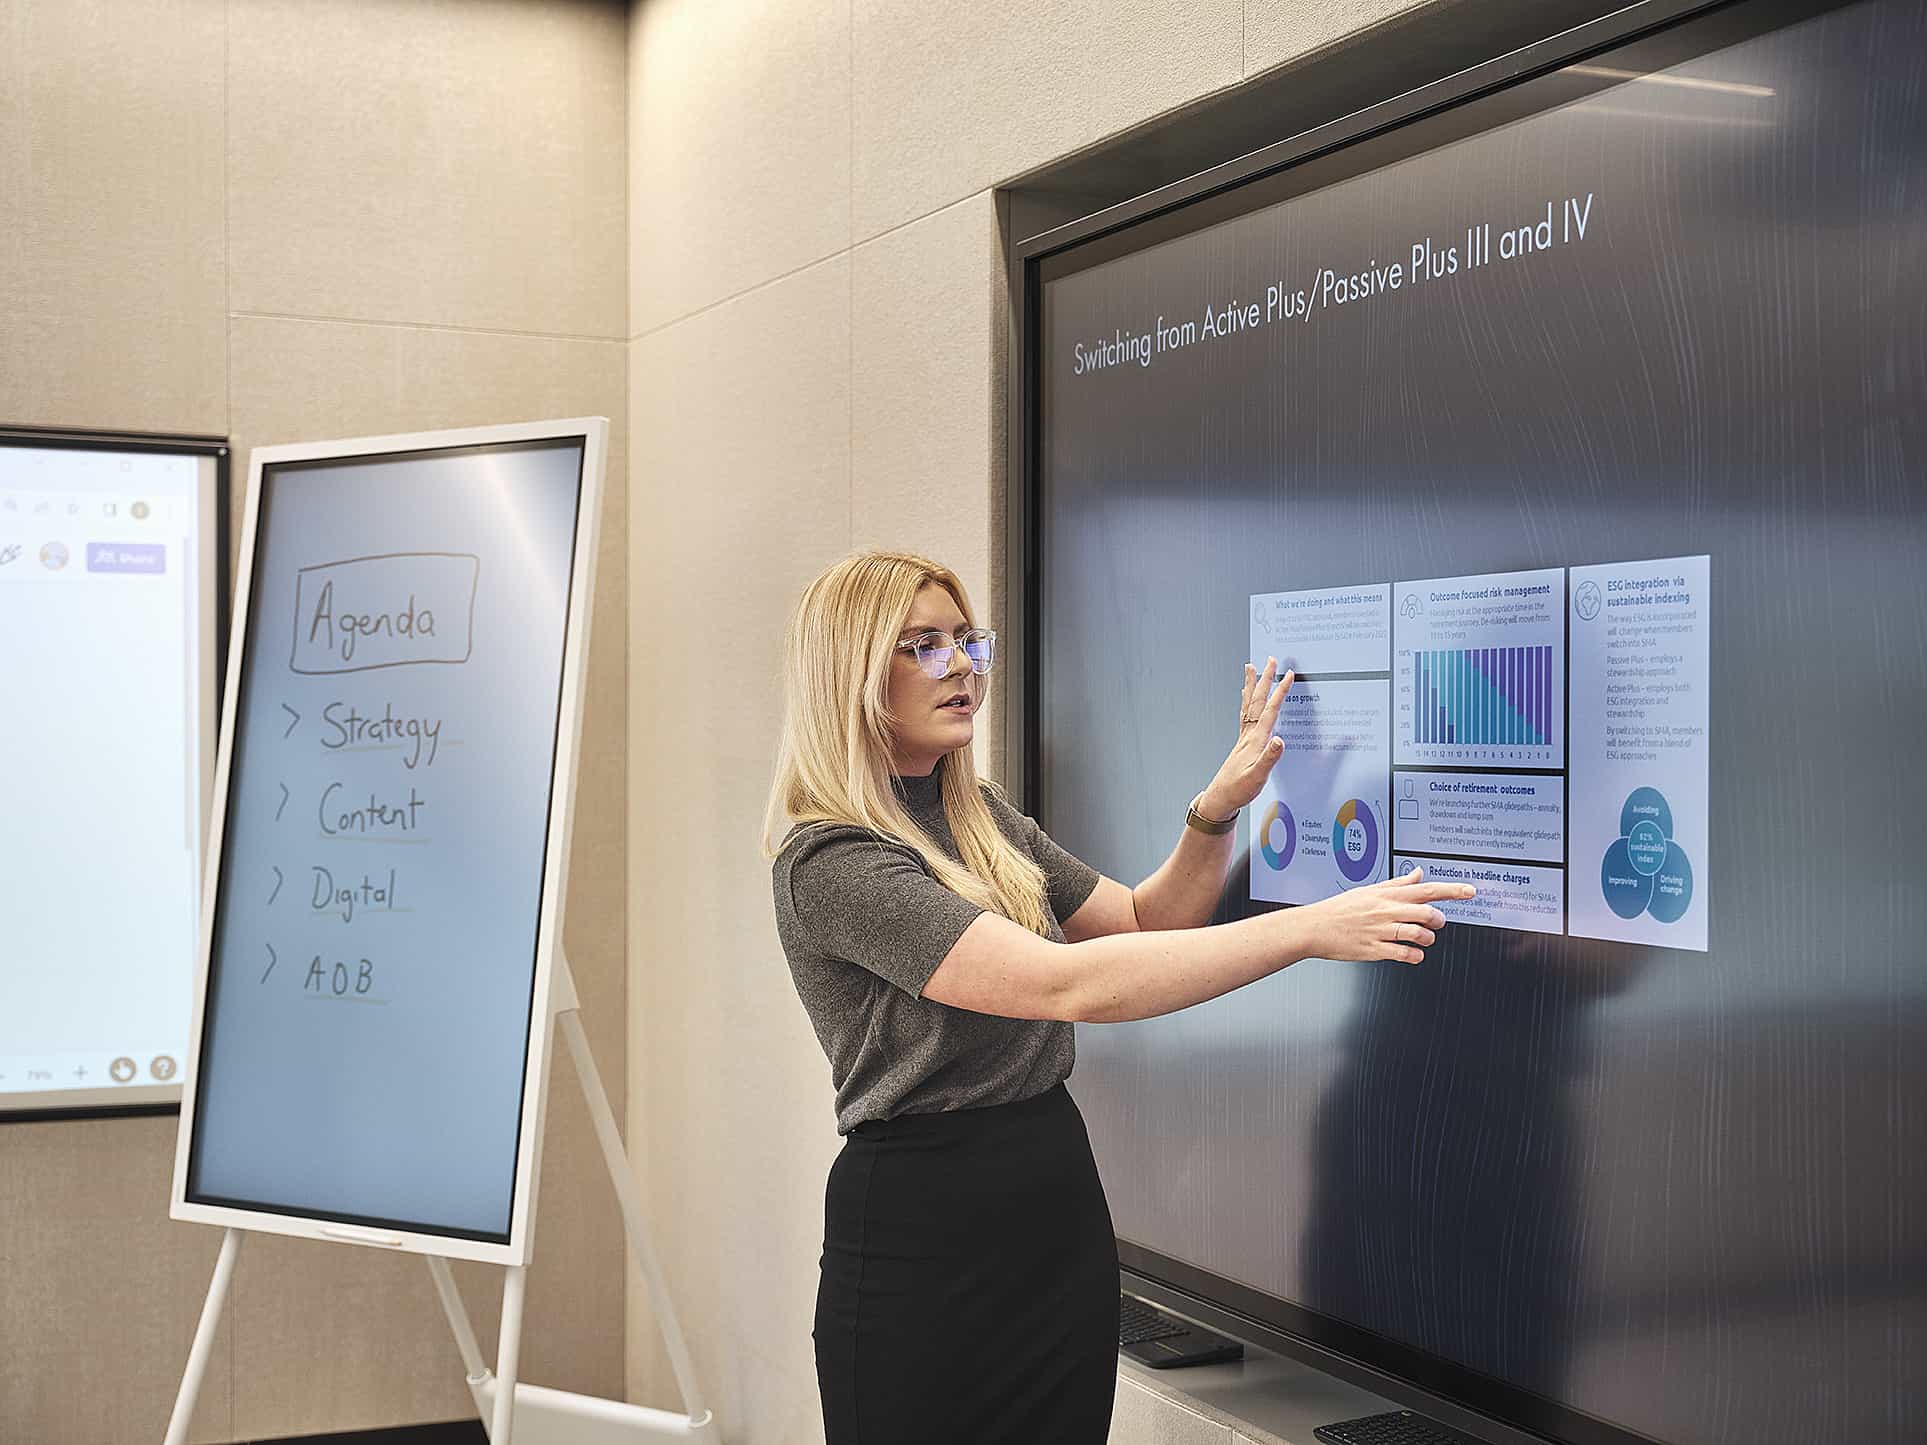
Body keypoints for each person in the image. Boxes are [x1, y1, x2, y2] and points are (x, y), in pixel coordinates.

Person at [764, 550, 1473, 1445]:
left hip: (1050, 1190)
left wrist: (1218, 807)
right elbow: (1065, 984)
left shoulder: (979, 816)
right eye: (921, 645)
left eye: (965, 641)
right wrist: (1306, 928)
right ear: (852, 674)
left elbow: (1141, 922)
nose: (961, 668)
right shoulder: (833, 861)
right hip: (923, 1220)